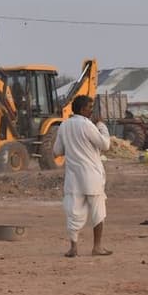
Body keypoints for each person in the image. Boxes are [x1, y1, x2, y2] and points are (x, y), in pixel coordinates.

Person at [53, 95, 112, 257]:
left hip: (73, 179)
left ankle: (73, 248)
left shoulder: (64, 126)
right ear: (82, 109)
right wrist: (101, 125)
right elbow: (105, 145)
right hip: (92, 176)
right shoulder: (88, 125)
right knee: (98, 212)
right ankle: (97, 247)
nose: (91, 111)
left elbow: (56, 151)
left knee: (74, 212)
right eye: (89, 108)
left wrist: (73, 147)